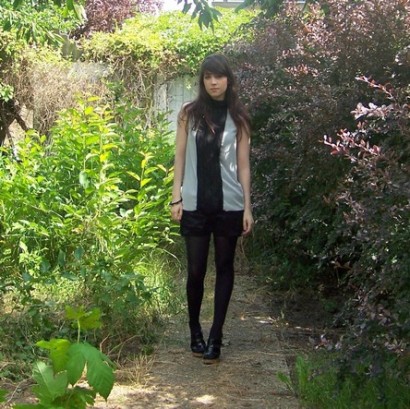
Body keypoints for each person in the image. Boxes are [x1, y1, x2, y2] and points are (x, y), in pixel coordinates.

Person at [170, 53, 253, 364]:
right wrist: (176, 197)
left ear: (228, 79)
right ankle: (195, 331)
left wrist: (247, 206)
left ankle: (216, 337)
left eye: (218, 76)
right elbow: (179, 156)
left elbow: (243, 166)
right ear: (202, 80)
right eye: (207, 76)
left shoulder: (239, 118)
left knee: (225, 267)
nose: (213, 82)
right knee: (195, 270)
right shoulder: (189, 114)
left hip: (229, 204)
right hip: (194, 203)